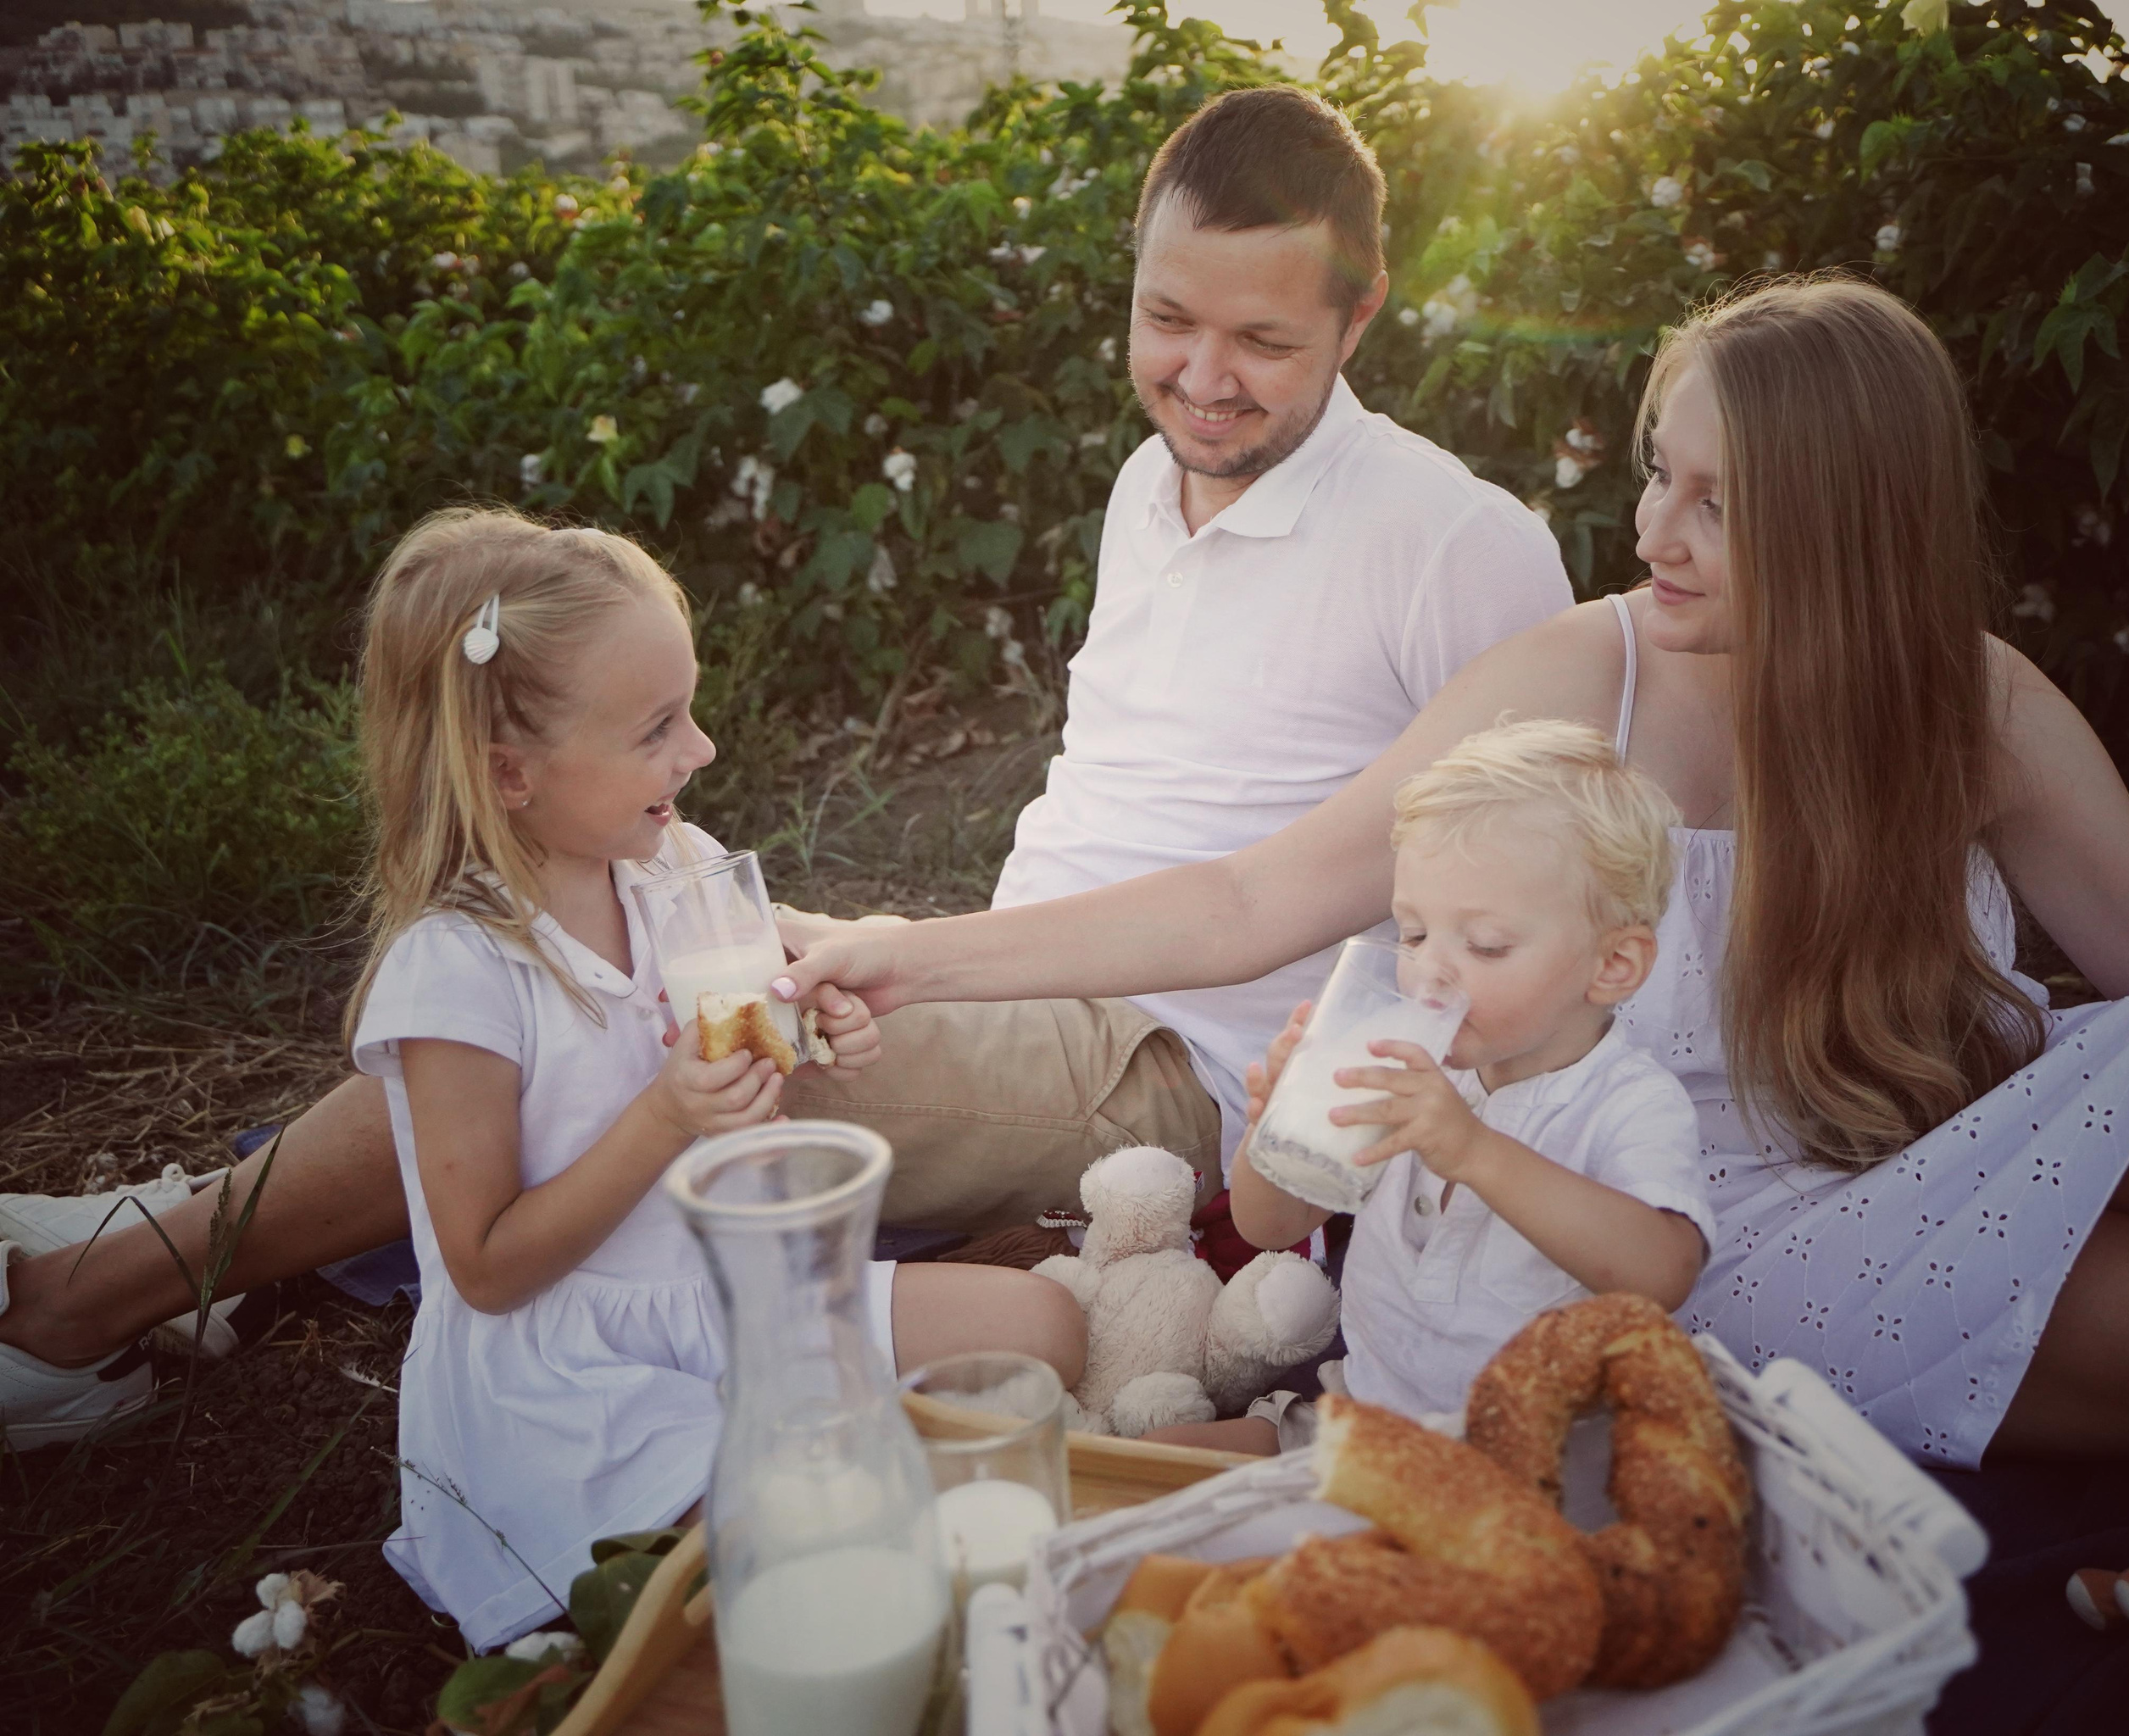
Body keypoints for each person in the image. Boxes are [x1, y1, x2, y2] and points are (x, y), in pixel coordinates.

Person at [0, 84, 1572, 1444]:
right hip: (1026, 983)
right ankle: (193, 1236)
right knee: (590, 936)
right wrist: (924, 963)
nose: (1203, 377)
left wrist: (920, 961)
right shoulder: (1149, 485)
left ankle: (96, 1293)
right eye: (1169, 319)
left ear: (1361, 320)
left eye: (1263, 340)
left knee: (699, 1022)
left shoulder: (1455, 544)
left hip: (1184, 1062)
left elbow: (1461, 887)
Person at [775, 276, 2129, 1466]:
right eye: (1656, 474)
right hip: (1672, 1222)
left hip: (1941, 1125)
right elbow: (1256, 898)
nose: (1649, 533)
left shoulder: (1970, 703)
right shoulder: (1583, 681)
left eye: (1715, 505)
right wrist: (913, 952)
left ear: (1849, 528)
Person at [347, 509, 1083, 1648]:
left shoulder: (669, 865)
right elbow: (487, 1270)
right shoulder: (458, 974)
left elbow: (767, 980)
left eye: (688, 710)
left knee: (1041, 1327)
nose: (700, 752)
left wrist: (816, 1010)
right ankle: (1055, 1517)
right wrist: (663, 1116)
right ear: (512, 773)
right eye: (657, 730)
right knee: (807, 1566)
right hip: (572, 1374)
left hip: (721, 1293)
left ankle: (945, 1484)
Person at [1166, 721, 1714, 1454]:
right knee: (1130, 1474)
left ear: (1612, 965)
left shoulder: (1625, 1104)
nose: (1430, 971)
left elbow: (1664, 1271)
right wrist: (1277, 1135)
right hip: (1359, 1418)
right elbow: (1273, 1227)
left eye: (1485, 944)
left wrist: (1473, 1150)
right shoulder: (1406, 1068)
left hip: (1529, 1465)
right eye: (1414, 934)